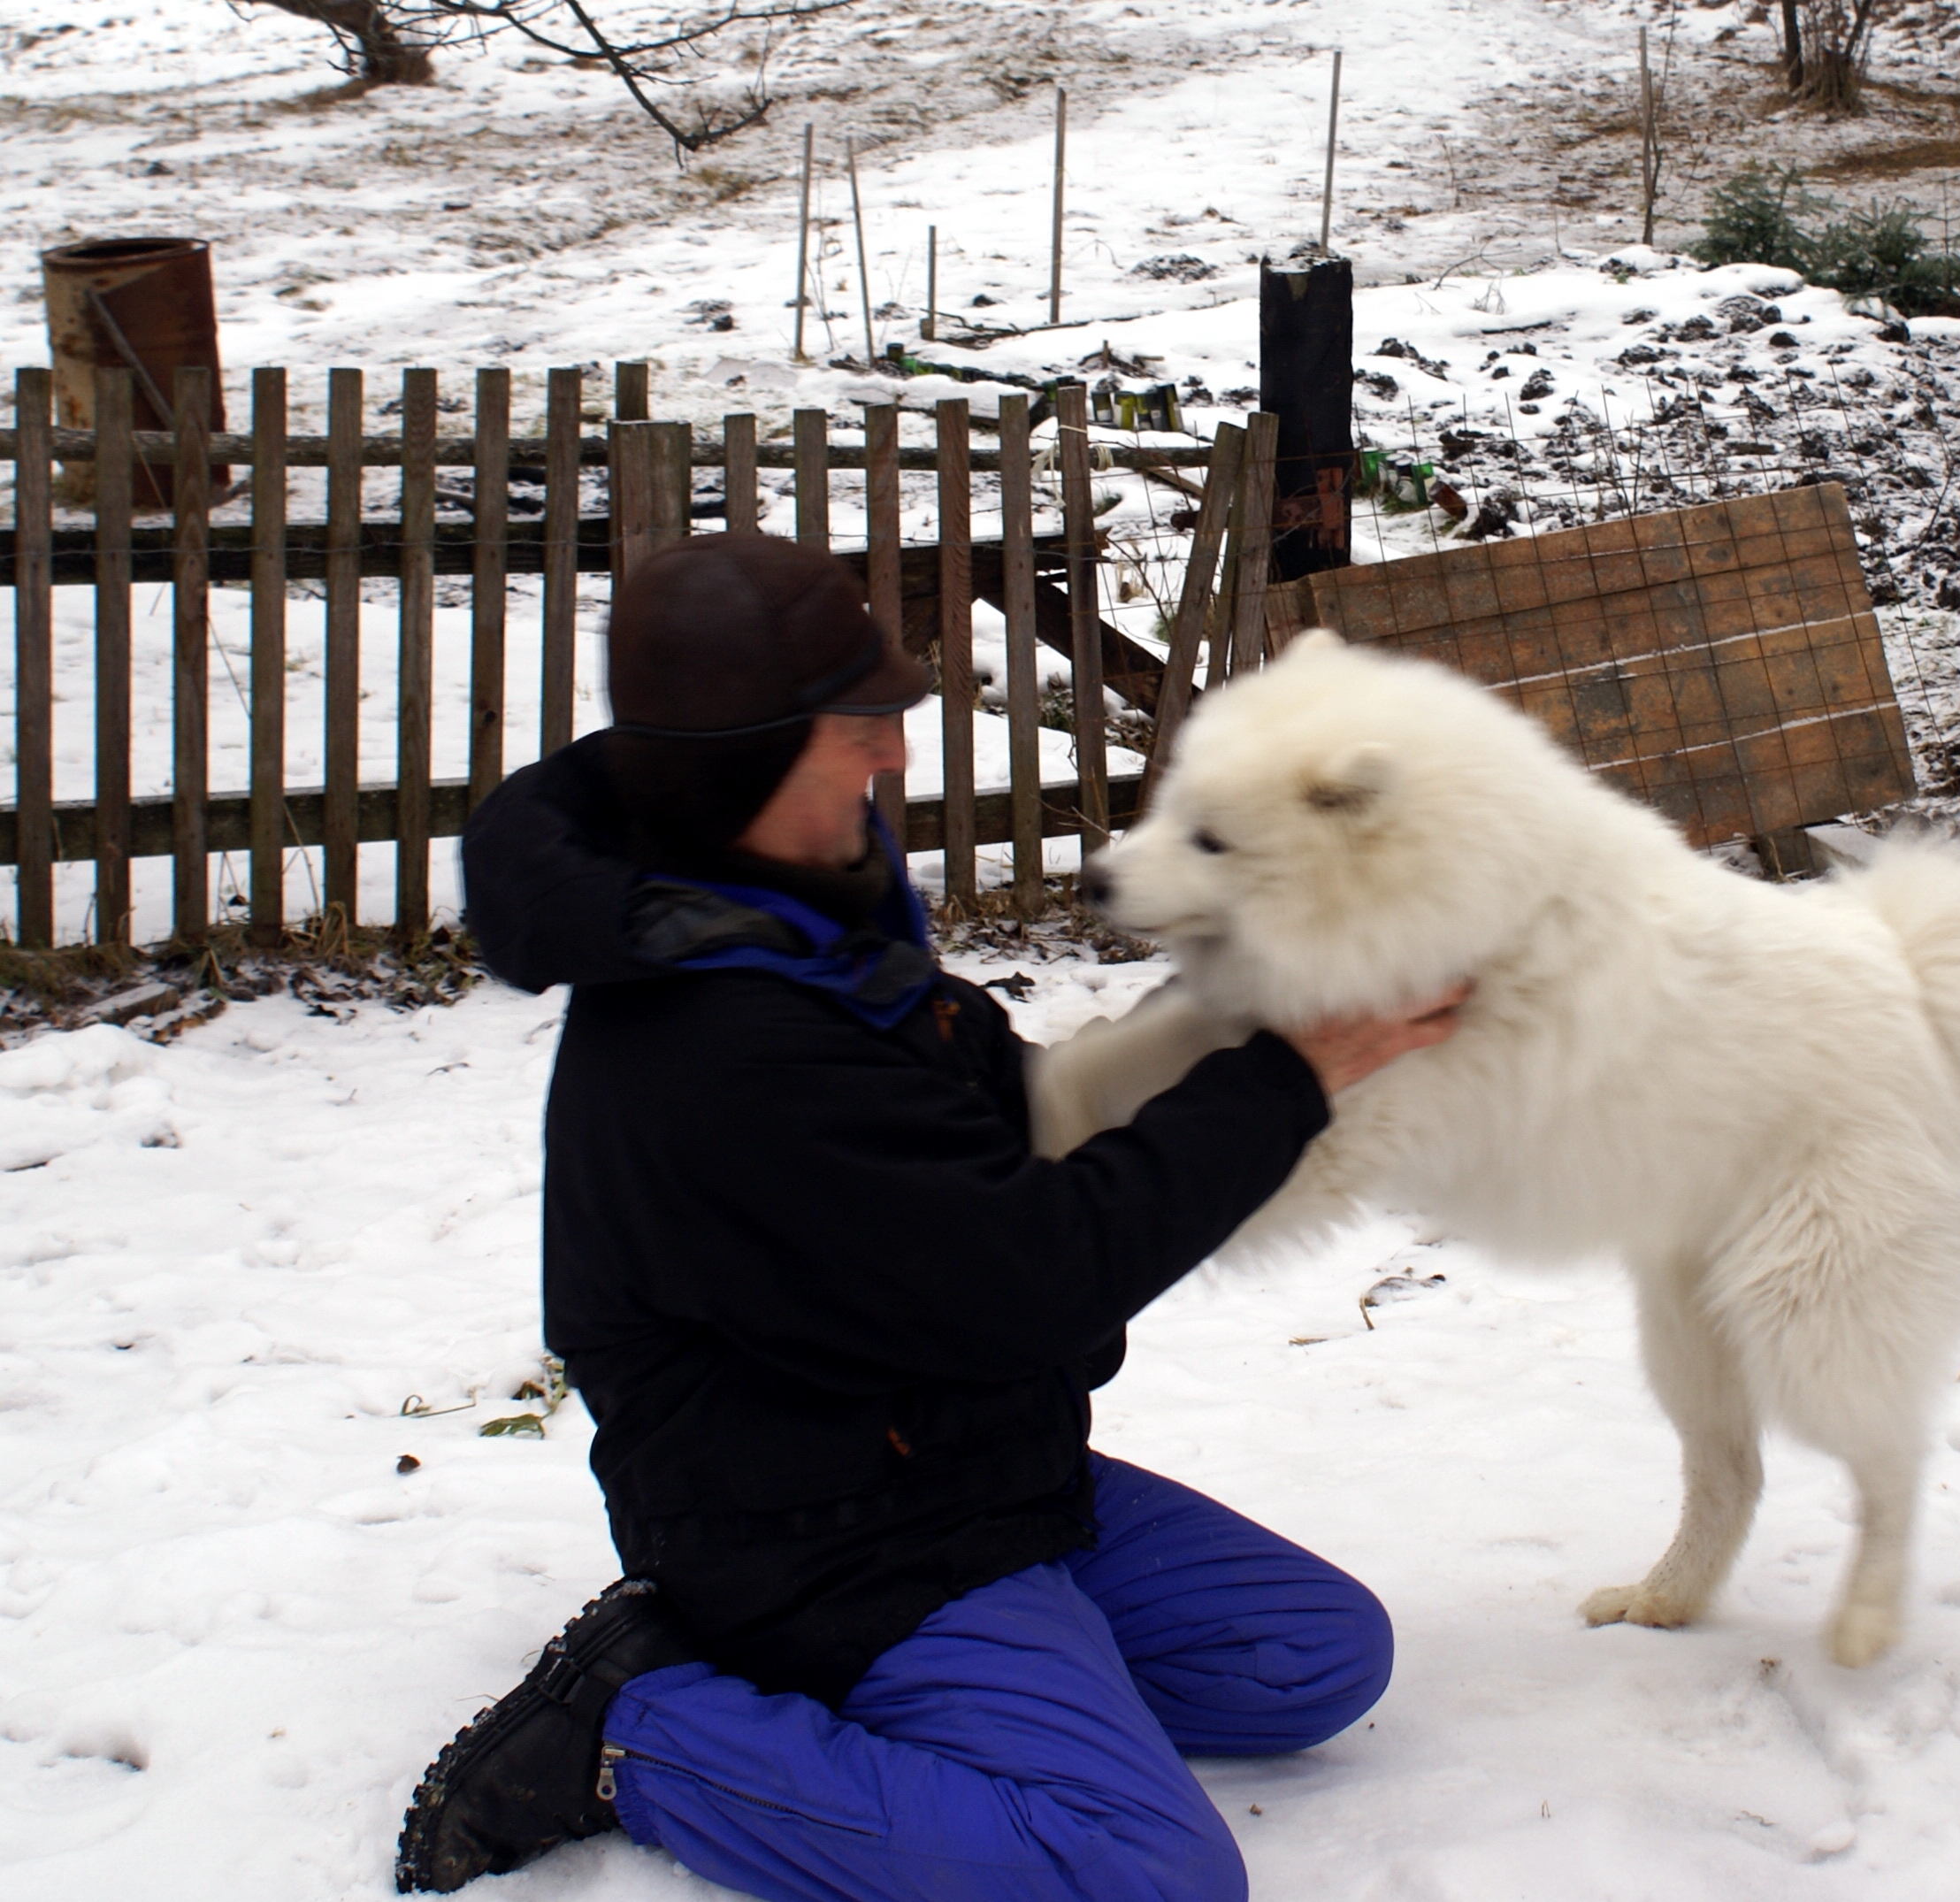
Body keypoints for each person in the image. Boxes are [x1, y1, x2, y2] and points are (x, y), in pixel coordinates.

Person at [397, 533, 1463, 1902]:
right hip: (817, 1535)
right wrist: (1290, 1075)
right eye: (857, 728)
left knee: (1309, 1655)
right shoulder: (728, 1046)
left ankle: (1009, 1686)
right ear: (745, 760)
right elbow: (1035, 1274)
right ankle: (639, 1730)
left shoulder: (794, 909)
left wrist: (1257, 1001)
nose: (893, 755)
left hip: (964, 1461)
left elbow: (1007, 1113)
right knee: (1146, 1875)